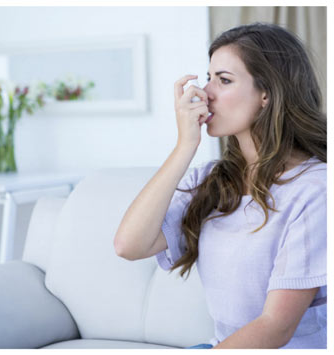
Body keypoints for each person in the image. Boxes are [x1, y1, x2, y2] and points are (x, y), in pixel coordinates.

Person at [113, 22, 326, 349]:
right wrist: (185, 145)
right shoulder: (212, 179)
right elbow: (129, 245)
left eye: (224, 80)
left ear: (267, 94)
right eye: (208, 77)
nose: (204, 93)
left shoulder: (316, 189)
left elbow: (276, 327)